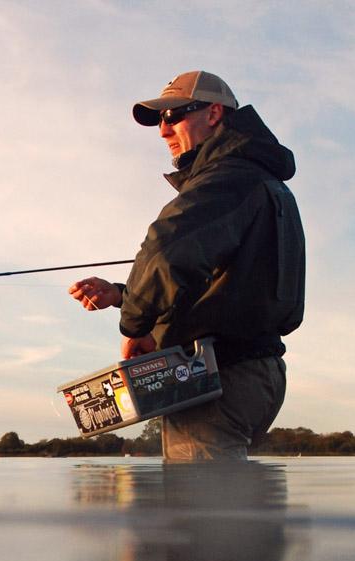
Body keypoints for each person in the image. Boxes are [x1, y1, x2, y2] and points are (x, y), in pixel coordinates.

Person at [68, 70, 305, 461]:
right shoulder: (263, 181)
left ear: (213, 114)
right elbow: (229, 284)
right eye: (160, 120)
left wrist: (135, 324)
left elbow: (163, 254)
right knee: (232, 515)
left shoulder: (228, 176)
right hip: (256, 373)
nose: (163, 129)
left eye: (174, 115)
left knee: (200, 515)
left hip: (217, 379)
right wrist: (123, 294)